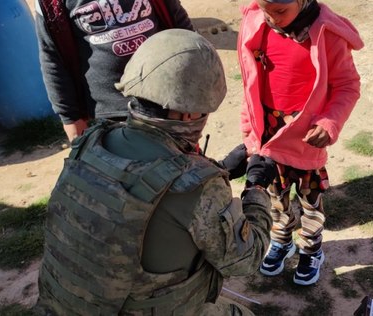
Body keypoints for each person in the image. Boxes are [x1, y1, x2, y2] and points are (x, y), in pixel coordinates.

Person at [36, 29, 276, 315]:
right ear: (188, 114)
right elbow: (245, 260)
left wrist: (220, 168)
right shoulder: (201, 189)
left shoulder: (91, 142)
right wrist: (257, 190)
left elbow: (149, 191)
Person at [237, 0, 363, 285]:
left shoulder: (327, 34)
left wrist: (329, 123)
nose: (272, 19)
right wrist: (250, 133)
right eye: (267, 10)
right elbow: (249, 82)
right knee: (275, 199)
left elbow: (347, 85)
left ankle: (311, 248)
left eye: (281, 11)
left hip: (306, 138)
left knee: (310, 201)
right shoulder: (255, 23)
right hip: (269, 136)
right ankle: (282, 241)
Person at [34, 0, 193, 141]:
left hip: (166, 102)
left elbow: (182, 27)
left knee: (181, 167)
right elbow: (52, 57)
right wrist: (70, 117)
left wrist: (195, 83)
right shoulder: (51, 4)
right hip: (108, 116)